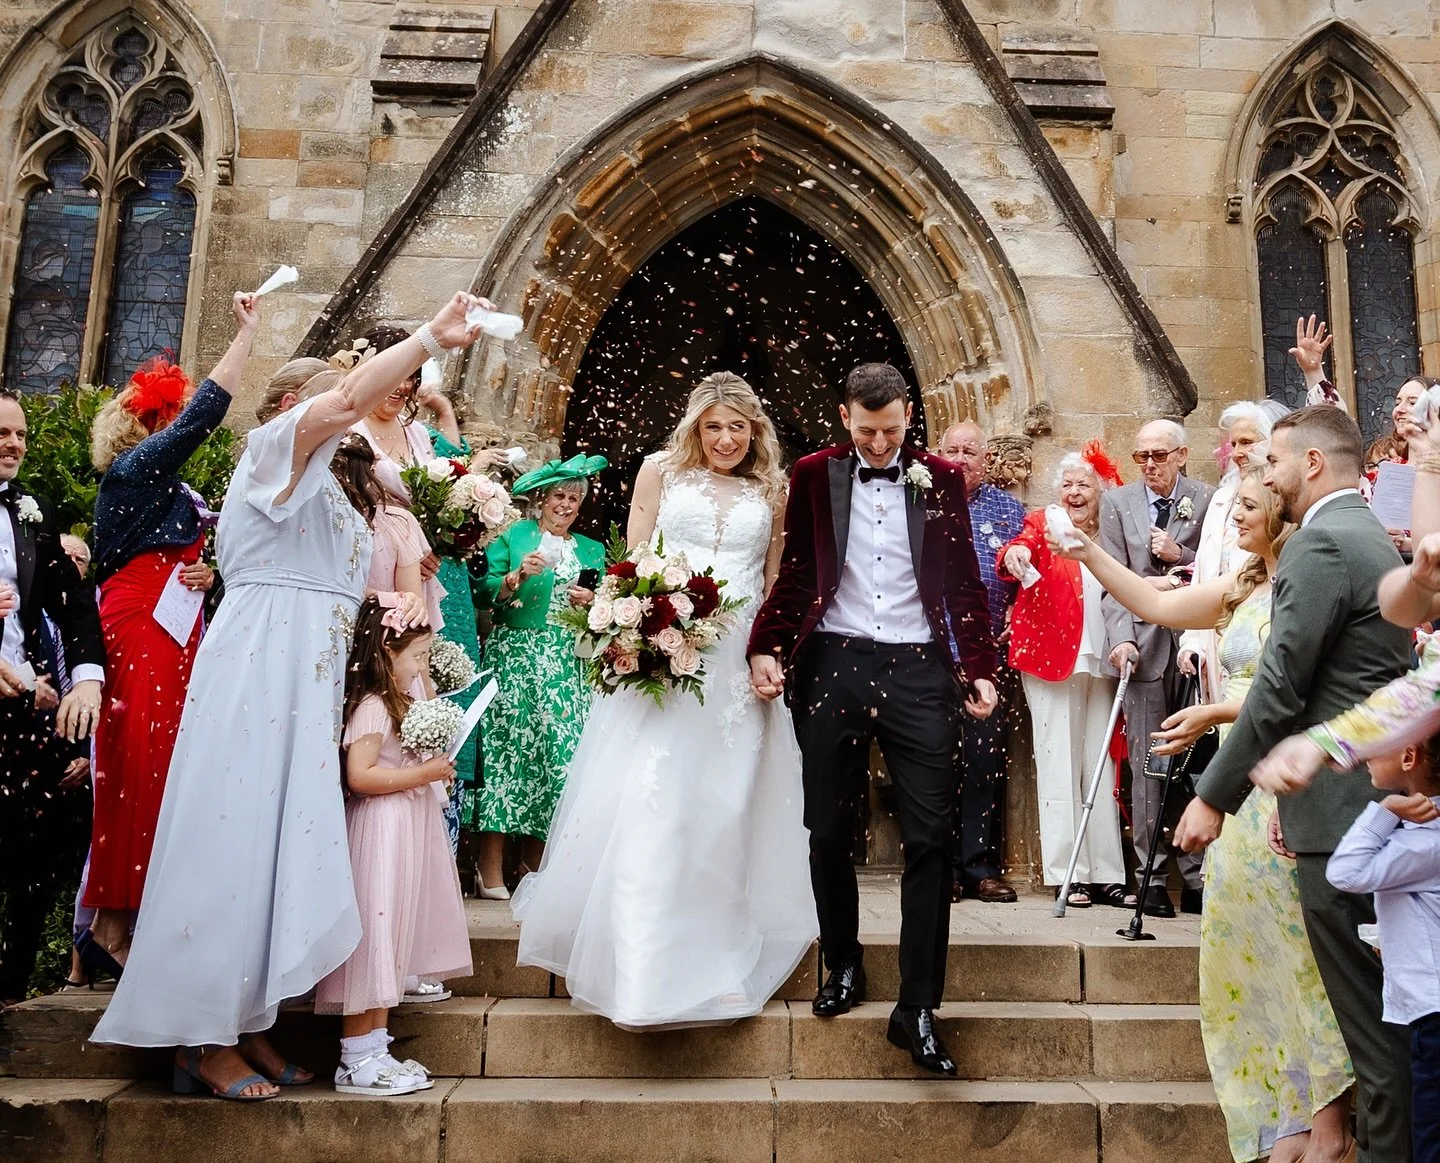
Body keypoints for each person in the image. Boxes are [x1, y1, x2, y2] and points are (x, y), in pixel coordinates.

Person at [89, 290, 488, 1101]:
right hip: (256, 677)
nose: (346, 414)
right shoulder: (275, 448)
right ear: (293, 404)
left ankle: (250, 1020)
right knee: (229, 845)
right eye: (329, 400)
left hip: (306, 689)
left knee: (276, 852)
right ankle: (200, 1037)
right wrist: (425, 338)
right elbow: (344, 399)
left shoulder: (338, 500)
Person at [1056, 464, 1355, 1163]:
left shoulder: (1309, 581)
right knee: (1256, 957)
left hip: (1285, 785)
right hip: (1239, 804)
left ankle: (1332, 1126)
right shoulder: (1247, 582)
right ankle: (1289, 1119)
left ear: (1282, 509)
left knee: (1304, 954)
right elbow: (1160, 607)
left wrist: (1218, 710)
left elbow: (1307, 694)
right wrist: (1091, 551)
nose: (1233, 520)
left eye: (1247, 506)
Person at [514, 373, 817, 1028]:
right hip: (664, 651)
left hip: (735, 665)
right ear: (695, 427)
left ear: (755, 430)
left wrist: (771, 654)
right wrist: (632, 627)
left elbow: (771, 583)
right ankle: (642, 958)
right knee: (655, 799)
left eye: (738, 426)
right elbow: (637, 557)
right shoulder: (659, 471)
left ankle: (721, 956)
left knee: (724, 806)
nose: (726, 438)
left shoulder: (773, 489)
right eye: (714, 426)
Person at [1176, 405, 1413, 1163]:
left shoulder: (1321, 544)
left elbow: (1279, 687)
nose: (1266, 476)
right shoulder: (1369, 534)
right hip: (1361, 806)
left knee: (1369, 1037)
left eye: (1274, 462)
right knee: (1380, 1025)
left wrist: (1214, 795)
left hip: (1339, 814)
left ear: (1312, 463)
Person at [748, 362, 997, 1075]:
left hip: (919, 669)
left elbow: (962, 581)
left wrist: (978, 665)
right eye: (866, 431)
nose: (880, 445)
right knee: (827, 827)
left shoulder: (942, 479)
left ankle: (917, 1005)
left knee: (931, 835)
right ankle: (844, 961)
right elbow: (796, 570)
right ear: (843, 417)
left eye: (890, 431)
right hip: (834, 662)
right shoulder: (814, 475)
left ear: (909, 416)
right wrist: (766, 644)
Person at [79, 309, 249, 977]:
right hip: (140, 628)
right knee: (140, 762)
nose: (171, 431)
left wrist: (206, 574)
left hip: (178, 626)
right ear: (140, 427)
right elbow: (205, 416)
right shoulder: (130, 473)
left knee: (173, 761)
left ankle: (145, 913)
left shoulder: (168, 487)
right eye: (162, 420)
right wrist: (244, 336)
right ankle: (117, 919)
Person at [345, 326, 496, 841]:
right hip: (370, 561)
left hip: (420, 570)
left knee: (419, 677)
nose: (401, 387)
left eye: (411, 377)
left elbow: (449, 487)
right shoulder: (348, 426)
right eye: (395, 374)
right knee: (372, 682)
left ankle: (426, 816)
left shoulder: (415, 436)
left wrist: (447, 537)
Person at [316, 596, 471, 1096]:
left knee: (394, 935)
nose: (423, 668)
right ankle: (355, 1057)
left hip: (405, 825)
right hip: (380, 830)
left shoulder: (403, 701)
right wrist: (422, 772)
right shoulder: (373, 707)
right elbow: (360, 775)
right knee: (375, 936)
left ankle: (377, 1046)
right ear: (386, 653)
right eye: (417, 658)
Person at [0, 389, 105, 1007]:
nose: (12, 444)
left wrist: (87, 677)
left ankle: (11, 991)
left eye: (19, 434)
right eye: (1, 434)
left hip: (26, 708)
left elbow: (77, 609)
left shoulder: (32, 515)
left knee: (35, 853)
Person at [999, 443, 1127, 909]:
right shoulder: (1045, 522)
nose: (1075, 493)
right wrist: (1013, 555)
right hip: (1052, 657)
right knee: (1058, 762)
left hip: (1104, 658)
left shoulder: (1113, 531)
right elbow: (1022, 547)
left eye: (1084, 485)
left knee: (1101, 765)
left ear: (1102, 491)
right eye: (1068, 484)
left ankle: (1109, 873)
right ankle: (1067, 872)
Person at [474, 457, 606, 899]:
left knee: (561, 758)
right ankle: (488, 867)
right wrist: (514, 577)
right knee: (508, 755)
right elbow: (482, 593)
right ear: (541, 500)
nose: (565, 505)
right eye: (558, 496)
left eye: (573, 498)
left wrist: (591, 600)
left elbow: (605, 606)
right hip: (516, 653)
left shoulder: (591, 550)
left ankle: (536, 865)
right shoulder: (516, 537)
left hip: (568, 662)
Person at [1100, 418, 1214, 917]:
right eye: (1141, 456)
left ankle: (1196, 877)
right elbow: (1112, 581)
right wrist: (1122, 639)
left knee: (1196, 763)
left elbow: (1217, 568)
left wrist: (1179, 553)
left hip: (1196, 645)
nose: (1149, 465)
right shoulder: (1116, 503)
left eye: (1159, 456)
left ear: (1182, 455)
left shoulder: (1209, 499)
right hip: (1144, 649)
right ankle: (1149, 873)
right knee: (1149, 764)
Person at [1326, 730, 1440, 1163]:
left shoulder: (1423, 838)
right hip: (1427, 1008)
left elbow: (1346, 872)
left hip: (1433, 1012)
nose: (1365, 755)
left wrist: (1383, 811)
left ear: (1410, 755)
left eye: (1379, 743)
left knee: (1431, 1136)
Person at [936, 420, 1025, 904]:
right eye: (953, 449)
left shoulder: (1009, 510)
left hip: (987, 659)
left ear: (986, 459)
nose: (962, 458)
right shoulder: (921, 501)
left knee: (983, 762)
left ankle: (980, 867)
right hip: (930, 657)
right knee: (934, 762)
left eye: (971, 451)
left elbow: (1029, 577)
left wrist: (1018, 608)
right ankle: (941, 866)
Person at [1179, 399, 1287, 705]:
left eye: (1248, 442)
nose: (1238, 452)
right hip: (1216, 634)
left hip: (1256, 632)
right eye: (1234, 443)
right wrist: (1192, 641)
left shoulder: (1284, 504)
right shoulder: (1221, 500)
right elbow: (1203, 572)